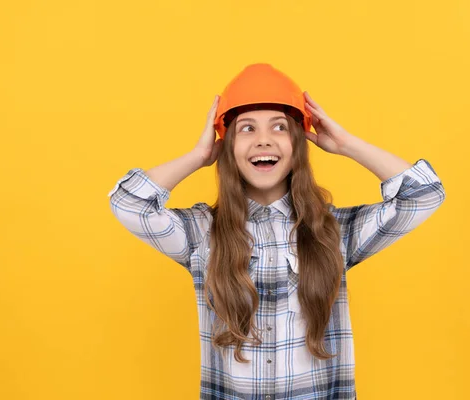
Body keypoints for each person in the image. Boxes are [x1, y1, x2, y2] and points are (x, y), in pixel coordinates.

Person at [107, 63, 446, 399]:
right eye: (247, 129)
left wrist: (346, 143)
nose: (264, 140)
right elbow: (129, 203)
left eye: (279, 127)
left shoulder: (334, 232)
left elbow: (423, 194)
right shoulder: (201, 233)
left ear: (298, 144)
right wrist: (197, 156)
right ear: (227, 146)